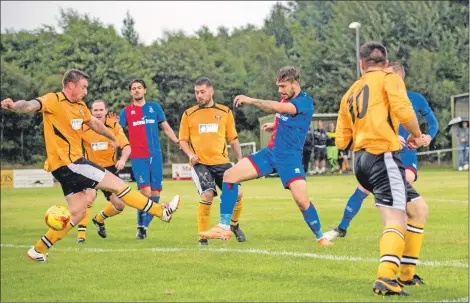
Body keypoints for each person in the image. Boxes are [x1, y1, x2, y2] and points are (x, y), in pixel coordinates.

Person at [0, 69, 180, 262]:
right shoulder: (54, 100)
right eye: (83, 87)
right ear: (71, 85)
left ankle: (38, 250)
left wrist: (113, 136)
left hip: (64, 168)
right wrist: (14, 106)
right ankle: (162, 212)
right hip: (71, 163)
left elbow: (95, 124)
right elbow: (29, 105)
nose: (86, 91)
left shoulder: (80, 106)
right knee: (118, 186)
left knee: (77, 214)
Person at [198, 66, 332, 246]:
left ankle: (321, 237)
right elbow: (285, 117)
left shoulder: (305, 102)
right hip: (270, 153)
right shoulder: (286, 98)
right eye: (278, 86)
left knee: (301, 200)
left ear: (295, 83)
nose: (280, 91)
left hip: (290, 159)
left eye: (284, 86)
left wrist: (251, 100)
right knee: (230, 175)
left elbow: (277, 107)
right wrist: (274, 126)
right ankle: (224, 227)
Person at [334, 42, 428, 296]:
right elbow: (403, 109)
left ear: (362, 65)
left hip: (361, 160)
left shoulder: (351, 91)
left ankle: (406, 274)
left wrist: (367, 137)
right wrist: (416, 135)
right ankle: (386, 278)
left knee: (417, 209)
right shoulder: (390, 79)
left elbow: (342, 141)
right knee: (395, 219)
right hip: (382, 157)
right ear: (386, 63)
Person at [325, 61, 438, 241]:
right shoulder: (376, 99)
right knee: (362, 189)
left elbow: (433, 123)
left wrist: (427, 137)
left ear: (399, 77)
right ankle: (342, 228)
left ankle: (400, 232)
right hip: (381, 153)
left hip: (406, 156)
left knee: (404, 184)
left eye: (388, 74)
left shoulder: (415, 99)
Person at [179, 77, 247, 246]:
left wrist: (239, 160)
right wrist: (189, 154)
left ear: (211, 91)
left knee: (237, 193)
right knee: (208, 194)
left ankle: (234, 225)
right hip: (200, 163)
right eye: (196, 92)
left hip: (222, 163)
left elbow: (233, 139)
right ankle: (202, 237)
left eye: (202, 92)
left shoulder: (225, 112)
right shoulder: (189, 114)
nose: (199, 96)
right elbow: (182, 140)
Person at [118, 79, 180, 240]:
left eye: (139, 88)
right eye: (133, 88)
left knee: (155, 193)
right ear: (130, 92)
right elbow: (118, 131)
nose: (137, 90)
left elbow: (166, 128)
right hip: (138, 157)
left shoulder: (154, 108)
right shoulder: (126, 112)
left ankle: (143, 227)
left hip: (156, 156)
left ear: (145, 90)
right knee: (145, 193)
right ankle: (156, 216)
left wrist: (177, 141)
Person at [76, 99, 131, 243]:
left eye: (101, 110)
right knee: (89, 198)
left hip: (110, 169)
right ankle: (81, 236)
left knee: (120, 205)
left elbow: (126, 146)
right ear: (91, 112)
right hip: (90, 168)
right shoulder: (83, 126)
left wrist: (123, 159)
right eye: (95, 110)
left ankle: (99, 219)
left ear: (106, 111)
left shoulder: (114, 126)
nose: (98, 113)